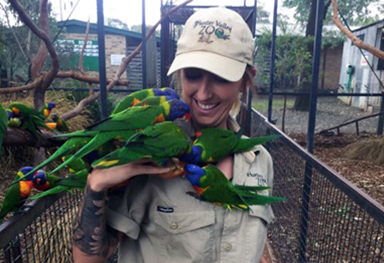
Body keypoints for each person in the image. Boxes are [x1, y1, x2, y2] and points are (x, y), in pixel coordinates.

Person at [72, 6, 276, 263]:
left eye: (221, 78)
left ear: (246, 80)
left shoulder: (259, 161)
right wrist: (96, 186)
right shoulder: (149, 148)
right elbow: (88, 260)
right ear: (180, 74)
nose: (203, 93)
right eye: (192, 75)